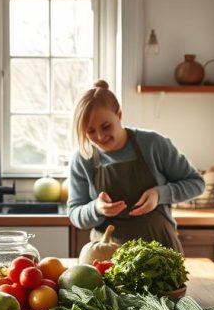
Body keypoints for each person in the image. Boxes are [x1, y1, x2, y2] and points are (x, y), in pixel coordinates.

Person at [66, 80, 205, 252]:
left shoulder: (153, 144)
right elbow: (74, 214)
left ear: (119, 114)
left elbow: (196, 184)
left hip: (161, 252)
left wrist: (159, 194)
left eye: (106, 126)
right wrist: (96, 208)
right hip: (108, 259)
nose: (100, 137)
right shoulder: (83, 159)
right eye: (91, 131)